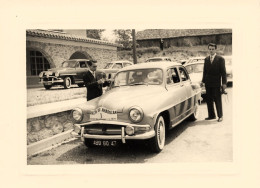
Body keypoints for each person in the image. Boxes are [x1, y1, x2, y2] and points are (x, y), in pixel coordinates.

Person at [202, 43, 227, 122]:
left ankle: (220, 116)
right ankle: (211, 115)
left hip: (216, 83)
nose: (211, 51)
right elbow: (204, 72)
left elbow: (223, 72)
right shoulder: (206, 59)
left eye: (213, 49)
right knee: (209, 100)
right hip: (208, 83)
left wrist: (224, 83)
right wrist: (203, 81)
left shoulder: (220, 59)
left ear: (215, 49)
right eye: (210, 49)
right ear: (208, 49)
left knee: (217, 100)